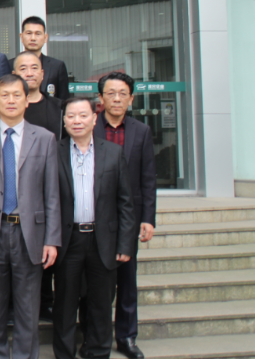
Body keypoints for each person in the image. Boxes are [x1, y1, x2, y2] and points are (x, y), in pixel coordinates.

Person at [0, 74, 61, 359]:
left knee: (28, 309)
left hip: (30, 234)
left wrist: (52, 239)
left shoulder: (44, 138)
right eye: (4, 96)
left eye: (17, 95)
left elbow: (52, 194)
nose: (11, 101)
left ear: (26, 100)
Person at [54, 97, 136, 359]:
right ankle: (64, 353)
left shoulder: (113, 152)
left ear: (94, 119)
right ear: (64, 121)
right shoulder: (53, 151)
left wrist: (125, 244)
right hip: (68, 239)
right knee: (65, 303)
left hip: (103, 240)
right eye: (71, 116)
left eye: (82, 115)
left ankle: (98, 352)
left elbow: (125, 203)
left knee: (101, 303)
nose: (77, 121)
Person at [92, 72, 157, 359]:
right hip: (95, 215)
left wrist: (148, 218)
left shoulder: (141, 131)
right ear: (101, 98)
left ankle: (127, 337)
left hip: (128, 217)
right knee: (95, 282)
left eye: (122, 94)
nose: (116, 99)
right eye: (110, 93)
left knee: (127, 281)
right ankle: (94, 336)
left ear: (131, 99)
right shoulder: (90, 127)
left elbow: (148, 179)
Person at [11, 50, 64, 322]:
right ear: (14, 74)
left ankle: (46, 301)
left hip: (50, 186)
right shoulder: (9, 107)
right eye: (23, 68)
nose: (29, 73)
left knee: (45, 247)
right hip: (14, 191)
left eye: (34, 68)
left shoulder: (59, 108)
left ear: (43, 74)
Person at [18, 16, 70, 100]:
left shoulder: (57, 66)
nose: (33, 38)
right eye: (29, 33)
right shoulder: (10, 64)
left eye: (38, 34)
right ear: (21, 37)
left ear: (45, 38)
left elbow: (64, 99)